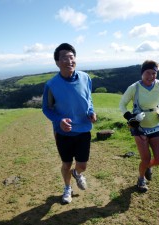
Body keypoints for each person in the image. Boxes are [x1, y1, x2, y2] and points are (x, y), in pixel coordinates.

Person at [42, 43, 97, 203]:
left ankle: (77, 174)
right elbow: (46, 109)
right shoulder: (51, 85)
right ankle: (67, 188)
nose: (69, 61)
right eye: (64, 58)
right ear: (57, 62)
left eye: (71, 57)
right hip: (63, 132)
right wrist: (59, 120)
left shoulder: (86, 78)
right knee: (66, 163)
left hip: (84, 129)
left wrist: (91, 112)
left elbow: (89, 99)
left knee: (82, 165)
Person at [119, 60, 159, 192]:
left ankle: (148, 166)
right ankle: (141, 179)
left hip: (156, 125)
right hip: (139, 127)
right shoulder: (134, 87)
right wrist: (129, 117)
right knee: (145, 158)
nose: (151, 76)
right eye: (148, 73)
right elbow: (122, 104)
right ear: (142, 73)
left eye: (154, 73)